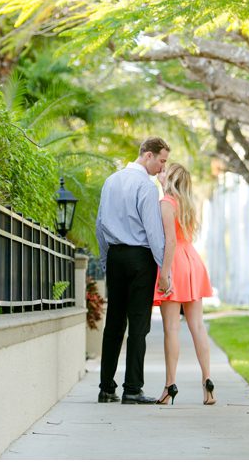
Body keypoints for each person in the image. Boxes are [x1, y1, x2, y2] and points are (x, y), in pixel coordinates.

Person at [95, 137, 171, 405]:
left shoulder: (110, 181)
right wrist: (164, 270)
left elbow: (100, 225)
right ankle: (132, 389)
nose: (162, 168)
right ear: (147, 155)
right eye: (161, 161)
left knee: (114, 323)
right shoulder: (147, 187)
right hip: (140, 258)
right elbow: (153, 232)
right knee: (139, 324)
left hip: (116, 256)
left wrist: (106, 260)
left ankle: (106, 388)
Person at [152, 163, 215, 406]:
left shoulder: (166, 203)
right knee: (198, 326)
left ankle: (170, 386)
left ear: (172, 180)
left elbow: (170, 241)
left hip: (175, 263)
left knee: (172, 329)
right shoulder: (188, 204)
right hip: (193, 262)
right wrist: (163, 183)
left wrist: (164, 274)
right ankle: (208, 384)